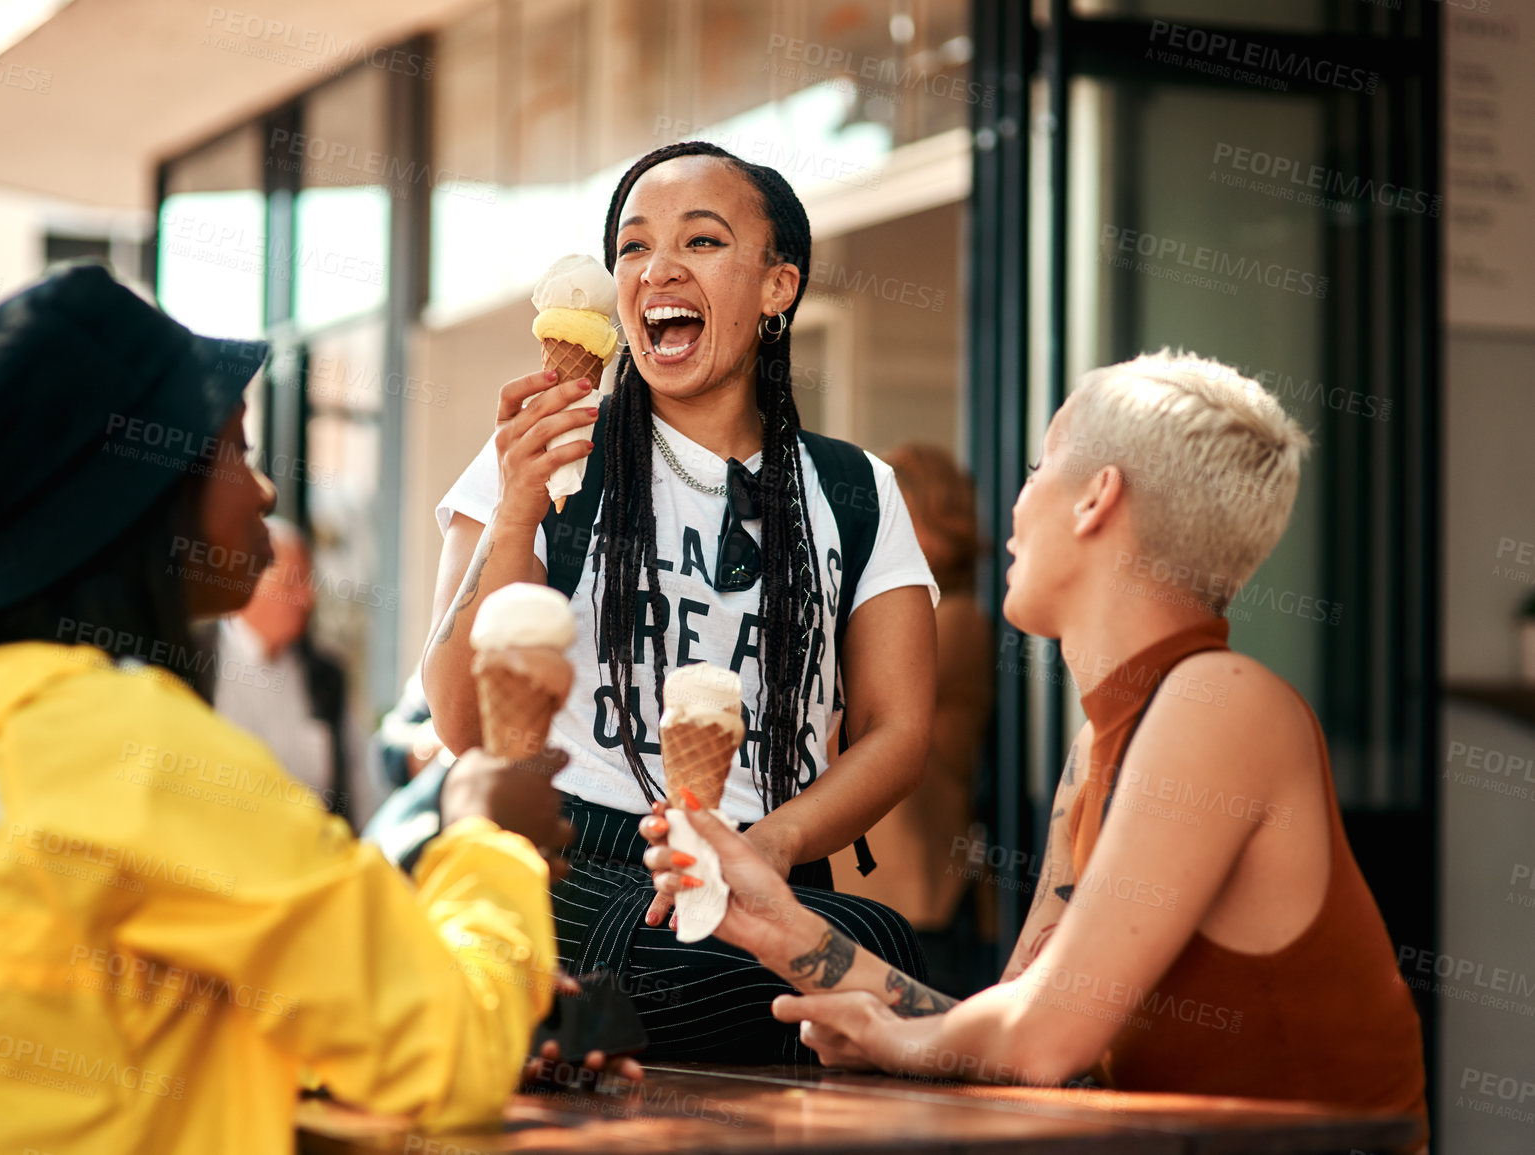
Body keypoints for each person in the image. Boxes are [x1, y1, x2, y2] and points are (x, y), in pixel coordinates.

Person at [0, 264, 582, 1153]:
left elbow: (101, 1031)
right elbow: (452, 1052)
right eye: (236, 450)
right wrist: (489, 838)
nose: (265, 491)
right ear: (139, 495)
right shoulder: (136, 751)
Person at [640, 351, 1429, 1149]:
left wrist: (892, 1040)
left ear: (1097, 497)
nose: (1010, 511)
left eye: (1034, 468)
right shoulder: (1097, 747)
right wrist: (779, 926)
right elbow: (1012, 1036)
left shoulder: (1216, 699)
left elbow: (1043, 1040)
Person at [420, 141, 940, 1062]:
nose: (656, 268)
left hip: (773, 863)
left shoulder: (856, 490)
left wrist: (773, 849)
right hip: (583, 863)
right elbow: (464, 724)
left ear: (778, 286)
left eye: (701, 242)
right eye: (632, 247)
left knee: (886, 947)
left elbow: (899, 727)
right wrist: (515, 513)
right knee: (731, 981)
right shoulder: (541, 456)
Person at [836, 444, 994, 999]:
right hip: (871, 891)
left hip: (921, 896)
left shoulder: (956, 619)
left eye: (898, 513)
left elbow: (847, 690)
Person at [214, 517, 381, 829]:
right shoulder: (200, 663)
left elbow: (361, 786)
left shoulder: (325, 677)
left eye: (308, 582)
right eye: (293, 583)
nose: (308, 598)